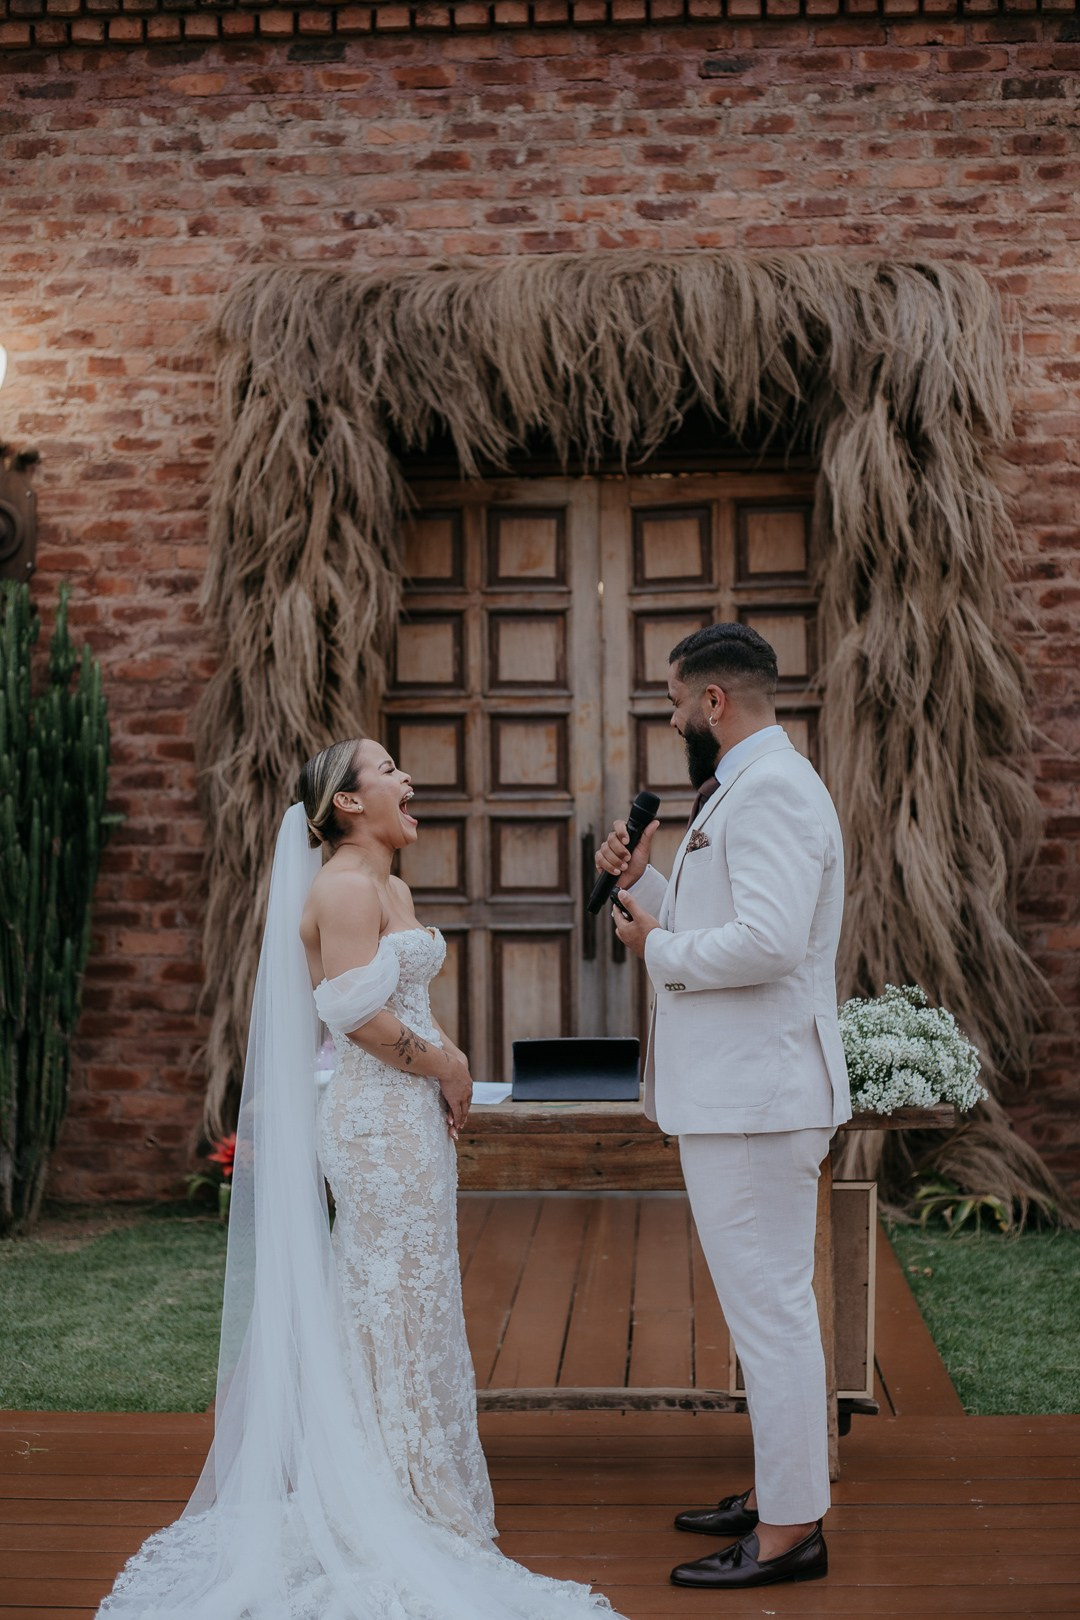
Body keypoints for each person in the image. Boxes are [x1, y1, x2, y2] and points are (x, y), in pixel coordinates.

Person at [97, 737, 617, 1620]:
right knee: (386, 1293)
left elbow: (403, 997)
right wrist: (449, 1065)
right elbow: (351, 1013)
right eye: (388, 772)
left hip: (408, 1117)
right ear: (347, 803)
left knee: (417, 1296)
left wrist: (442, 1072)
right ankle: (386, 1496)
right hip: (374, 1125)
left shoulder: (394, 886)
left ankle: (418, 1481)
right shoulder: (340, 885)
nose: (408, 780)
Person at [595, 622, 851, 1594]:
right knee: (765, 1314)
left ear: (713, 702)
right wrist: (641, 883)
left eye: (671, 702)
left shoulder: (775, 788)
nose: (668, 719)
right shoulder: (741, 789)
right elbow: (720, 923)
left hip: (757, 1100)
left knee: (773, 1314)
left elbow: (771, 942)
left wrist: (654, 947)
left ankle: (791, 1533)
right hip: (742, 1094)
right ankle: (778, 1487)